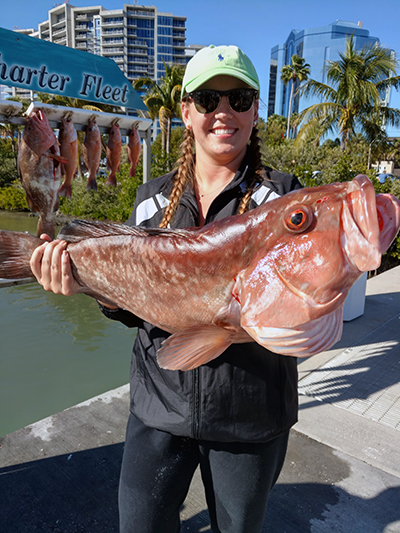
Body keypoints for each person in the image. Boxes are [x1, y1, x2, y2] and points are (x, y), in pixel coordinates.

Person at [30, 45, 302, 533]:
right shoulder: (149, 201)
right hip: (160, 408)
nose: (224, 111)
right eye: (207, 99)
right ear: (186, 111)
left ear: (256, 109)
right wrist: (92, 288)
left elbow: (297, 297)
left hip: (251, 414)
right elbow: (134, 309)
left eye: (239, 98)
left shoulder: (282, 201)